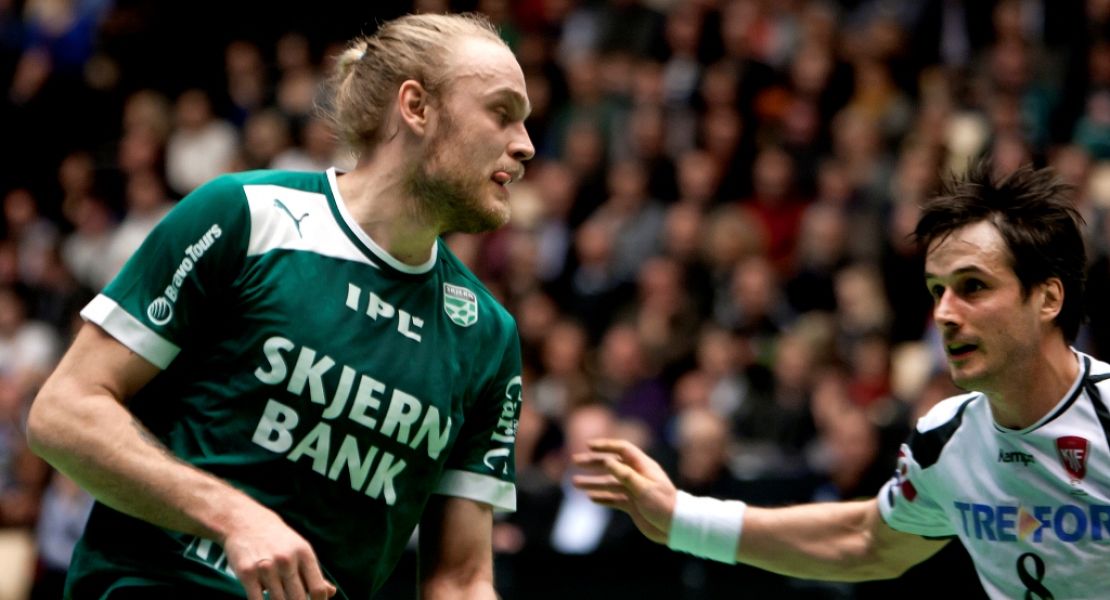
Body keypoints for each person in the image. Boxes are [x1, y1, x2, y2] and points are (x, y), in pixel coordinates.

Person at [27, 12, 534, 600]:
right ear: (416, 107)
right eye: (501, 112)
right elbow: (64, 412)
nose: (524, 145)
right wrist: (233, 516)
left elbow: (461, 579)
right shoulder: (246, 216)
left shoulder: (487, 335)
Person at [574, 162, 1109, 599]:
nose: (945, 313)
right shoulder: (946, 440)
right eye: (937, 290)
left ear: (1047, 298)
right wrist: (683, 518)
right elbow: (866, 542)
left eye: (973, 287)